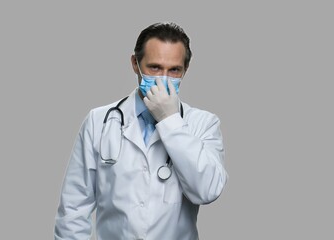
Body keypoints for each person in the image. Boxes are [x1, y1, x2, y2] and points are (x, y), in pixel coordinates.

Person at [54, 22, 228, 240]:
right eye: (154, 67)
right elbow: (74, 207)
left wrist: (170, 120)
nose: (163, 78)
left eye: (174, 70)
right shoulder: (99, 121)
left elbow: (207, 191)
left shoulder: (203, 123)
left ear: (186, 70)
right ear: (135, 64)